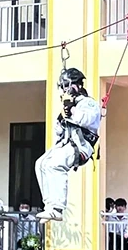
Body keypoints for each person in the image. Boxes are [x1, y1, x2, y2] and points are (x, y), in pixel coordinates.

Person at [35, 67, 102, 222]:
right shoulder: (69, 104)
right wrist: (62, 118)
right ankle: (50, 206)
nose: (65, 89)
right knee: (41, 164)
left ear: (76, 85)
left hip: (81, 146)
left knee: (55, 165)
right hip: (66, 143)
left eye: (67, 85)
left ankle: (57, 208)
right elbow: (58, 131)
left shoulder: (89, 103)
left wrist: (71, 109)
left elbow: (84, 120)